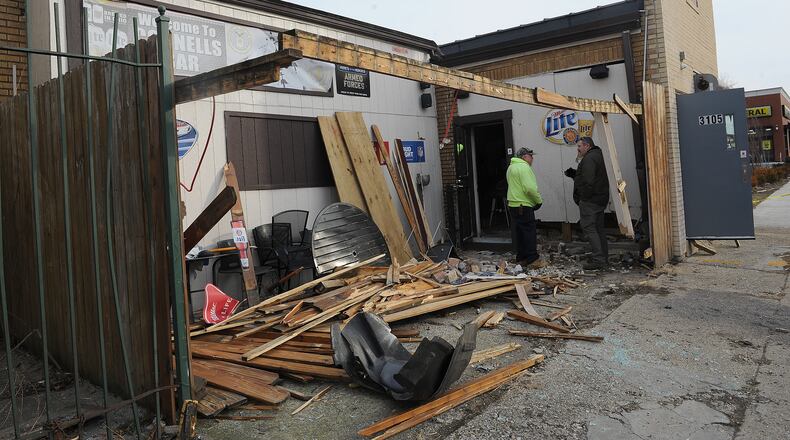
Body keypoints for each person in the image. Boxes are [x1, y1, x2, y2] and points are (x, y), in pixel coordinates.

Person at [564, 136, 609, 270]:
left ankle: (598, 260)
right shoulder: (598, 155)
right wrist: (575, 174)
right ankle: (603, 257)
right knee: (599, 229)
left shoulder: (589, 159)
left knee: (590, 228)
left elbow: (589, 181)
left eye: (579, 146)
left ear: (587, 146)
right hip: (600, 198)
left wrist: (583, 197)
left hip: (591, 200)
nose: (578, 149)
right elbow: (591, 177)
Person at [506, 147, 547, 269]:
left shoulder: (511, 167)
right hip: (523, 205)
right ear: (524, 157)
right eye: (530, 155)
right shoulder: (524, 167)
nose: (532, 158)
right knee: (529, 232)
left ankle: (521, 258)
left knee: (520, 233)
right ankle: (532, 259)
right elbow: (529, 188)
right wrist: (538, 201)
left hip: (513, 205)